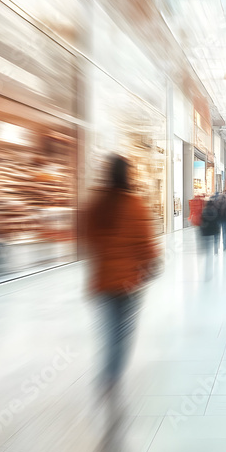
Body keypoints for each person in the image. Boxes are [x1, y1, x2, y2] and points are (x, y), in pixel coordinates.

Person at [81, 155, 160, 402]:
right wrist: (151, 263)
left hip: (103, 280)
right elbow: (146, 243)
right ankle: (113, 375)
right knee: (123, 332)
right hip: (129, 282)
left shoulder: (96, 204)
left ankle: (108, 373)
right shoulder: (134, 204)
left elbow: (86, 237)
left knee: (108, 330)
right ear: (128, 175)